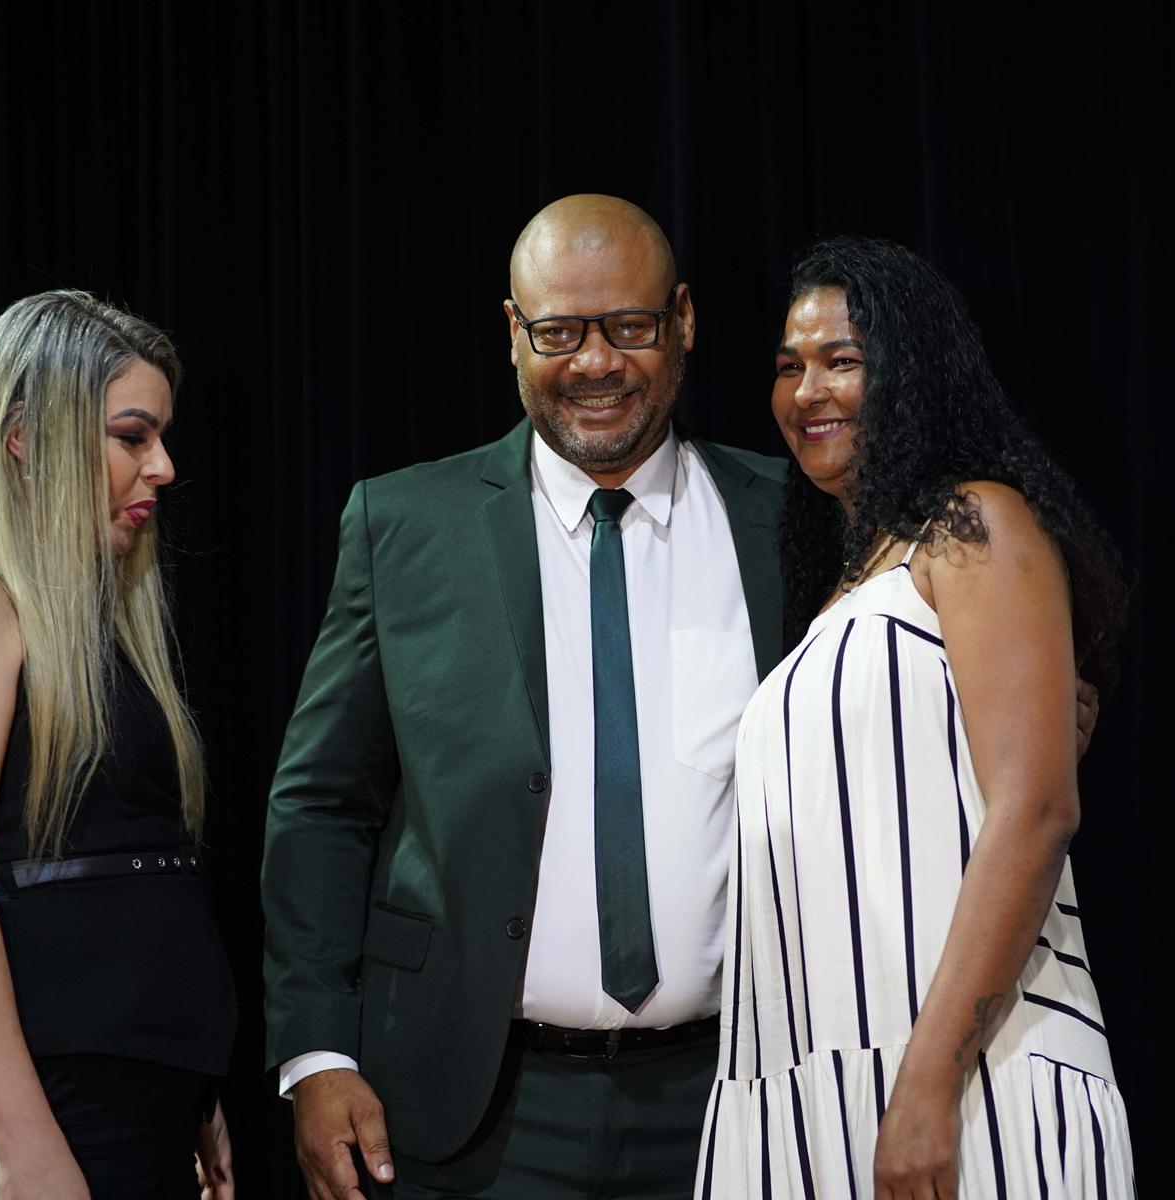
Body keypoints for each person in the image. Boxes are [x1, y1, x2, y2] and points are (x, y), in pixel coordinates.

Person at [262, 196, 1099, 1200]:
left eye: (630, 327)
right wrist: (316, 1051)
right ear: (513, 333)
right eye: (560, 332)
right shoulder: (404, 525)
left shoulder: (796, 518)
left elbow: (950, 716)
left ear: (685, 321)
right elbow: (321, 804)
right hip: (470, 1108)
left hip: (741, 1094)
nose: (596, 363)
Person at [696, 236, 1136, 1199]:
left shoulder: (974, 525)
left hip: (969, 1081)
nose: (807, 390)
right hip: (809, 1089)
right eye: (788, 366)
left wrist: (930, 1083)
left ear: (912, 371)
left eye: (841, 360)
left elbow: (1035, 811)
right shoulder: (842, 589)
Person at [0, 291, 237, 1199]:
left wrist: (184, 1089)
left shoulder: (88, 626)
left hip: (114, 1114)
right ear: (25, 436)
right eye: (132, 436)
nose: (163, 467)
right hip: (4, 1135)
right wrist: (26, 1149)